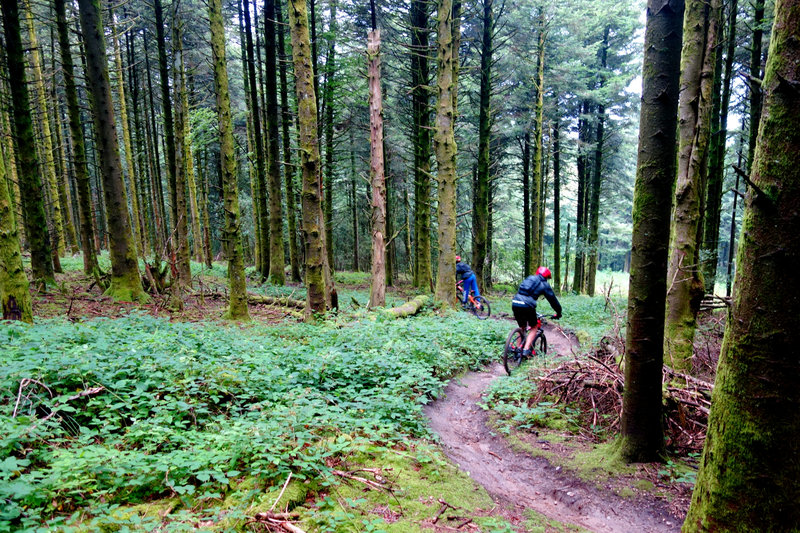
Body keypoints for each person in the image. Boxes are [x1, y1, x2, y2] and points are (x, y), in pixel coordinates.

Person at [511, 266, 562, 358]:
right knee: (534, 327)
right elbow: (553, 300)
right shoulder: (544, 284)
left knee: (522, 326)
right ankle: (526, 349)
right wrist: (559, 312)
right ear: (546, 277)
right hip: (527, 305)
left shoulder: (529, 278)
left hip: (515, 302)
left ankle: (518, 349)